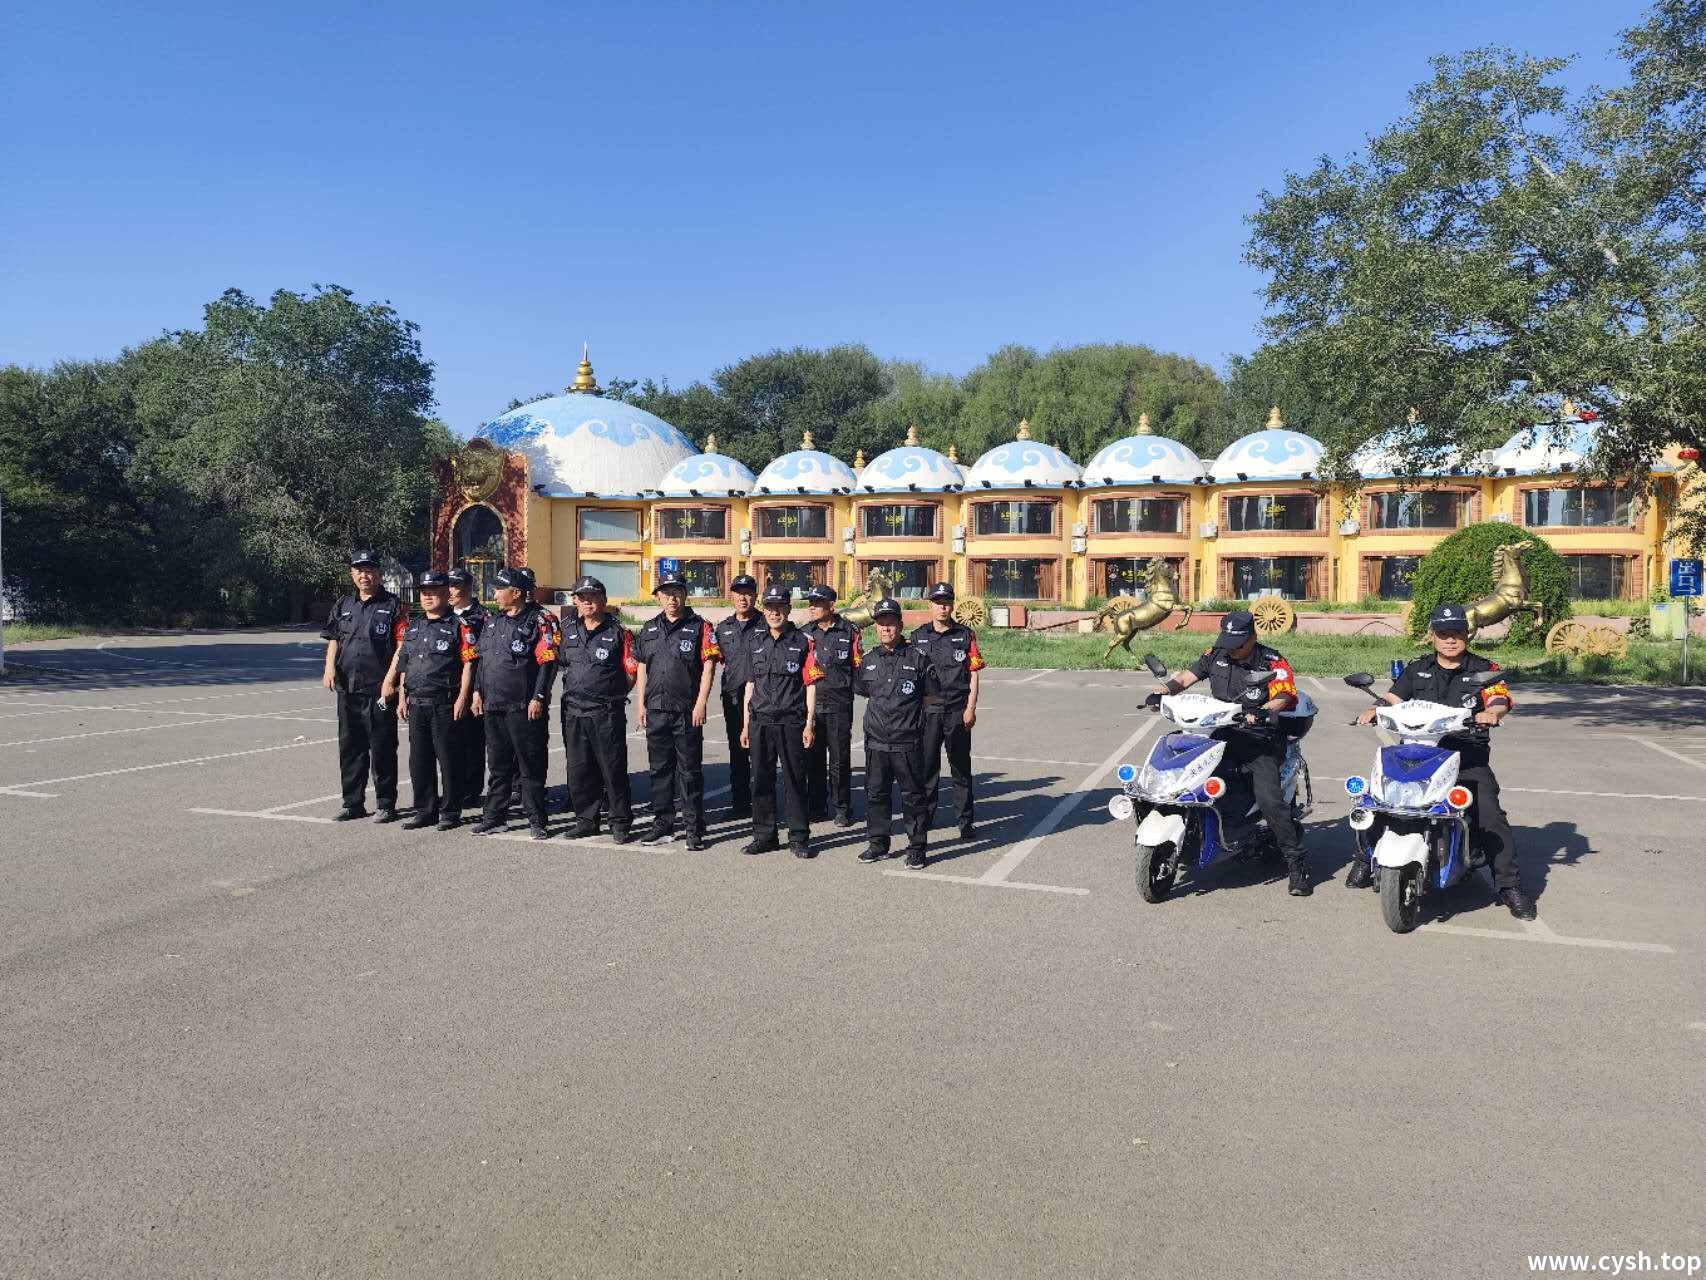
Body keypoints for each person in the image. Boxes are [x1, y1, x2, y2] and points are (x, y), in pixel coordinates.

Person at [1353, 602, 1535, 919]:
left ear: (1468, 634)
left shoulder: (1484, 669)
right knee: (1378, 800)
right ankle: (1365, 858)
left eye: (1457, 633)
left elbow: (1498, 697)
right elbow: (1393, 697)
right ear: (1433, 636)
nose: (1450, 639)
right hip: (1419, 755)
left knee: (1490, 816)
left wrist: (1492, 712)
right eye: (1443, 633)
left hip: (1465, 757)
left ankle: (1509, 886)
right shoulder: (1417, 668)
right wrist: (1375, 708)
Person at [1150, 610, 1313, 896]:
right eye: (1227, 642)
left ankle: (1296, 864)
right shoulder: (1216, 654)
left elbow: (1285, 694)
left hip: (1260, 740)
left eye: (1237, 644)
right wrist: (1164, 691)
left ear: (1252, 637)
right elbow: (1187, 677)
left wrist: (1263, 711)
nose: (1231, 649)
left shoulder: (1271, 661)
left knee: (1270, 801)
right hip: (1223, 735)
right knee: (1187, 779)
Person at [381, 570, 477, 830]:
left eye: (433, 592)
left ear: (446, 593)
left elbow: (469, 664)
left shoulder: (459, 625)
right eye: (424, 593)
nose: (427, 597)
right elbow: (405, 663)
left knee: (449, 759)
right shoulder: (414, 626)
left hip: (445, 702)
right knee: (419, 761)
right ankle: (425, 810)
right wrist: (403, 696)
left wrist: (463, 698)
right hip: (417, 702)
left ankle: (451, 811)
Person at [470, 567, 559, 840]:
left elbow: (547, 663)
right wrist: (477, 691)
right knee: (498, 765)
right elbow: (483, 662)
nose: (495, 594)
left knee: (530, 765)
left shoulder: (539, 621)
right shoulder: (493, 621)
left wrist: (538, 697)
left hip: (523, 706)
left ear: (516, 593)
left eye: (500, 589)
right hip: (494, 705)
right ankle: (494, 817)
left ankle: (537, 820)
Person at [633, 573, 720, 849]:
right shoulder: (649, 628)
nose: (671, 599)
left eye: (677, 592)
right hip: (656, 709)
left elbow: (709, 667)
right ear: (658, 597)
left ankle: (694, 829)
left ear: (685, 594)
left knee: (689, 772)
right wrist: (641, 703)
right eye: (666, 593)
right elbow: (642, 667)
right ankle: (663, 824)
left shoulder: (700, 627)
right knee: (659, 771)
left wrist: (701, 703)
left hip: (686, 711)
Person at [320, 550, 408, 822]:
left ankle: (385, 803)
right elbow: (334, 639)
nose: (364, 575)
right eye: (359, 570)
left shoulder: (394, 605)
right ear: (352, 574)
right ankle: (352, 802)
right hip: (348, 686)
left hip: (379, 690)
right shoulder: (343, 604)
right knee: (350, 747)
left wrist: (390, 681)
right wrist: (329, 668)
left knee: (382, 748)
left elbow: (401, 646)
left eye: (369, 570)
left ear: (379, 573)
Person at [854, 597, 936, 869]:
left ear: (900, 625)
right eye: (881, 624)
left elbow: (929, 697)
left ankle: (916, 848)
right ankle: (878, 844)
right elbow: (864, 691)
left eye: (891, 623)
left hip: (907, 742)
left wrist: (914, 725)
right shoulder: (868, 660)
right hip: (876, 742)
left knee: (913, 797)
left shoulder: (918, 659)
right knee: (876, 794)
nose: (886, 629)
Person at [742, 583, 822, 857]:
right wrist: (745, 724)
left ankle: (798, 838)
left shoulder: (803, 642)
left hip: (791, 721)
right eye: (770, 607)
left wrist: (809, 724)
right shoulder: (754, 642)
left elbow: (811, 685)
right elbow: (750, 685)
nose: (774, 613)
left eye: (779, 607)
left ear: (788, 609)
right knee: (760, 781)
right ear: (763, 610)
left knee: (795, 780)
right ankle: (765, 836)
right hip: (760, 721)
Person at [557, 576, 637, 843]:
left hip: (606, 712)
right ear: (576, 601)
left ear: (604, 600)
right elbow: (562, 665)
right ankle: (586, 821)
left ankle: (620, 822)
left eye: (593, 597)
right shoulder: (567, 630)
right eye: (583, 598)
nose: (588, 602)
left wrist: (613, 695)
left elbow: (631, 671)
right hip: (574, 711)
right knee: (579, 770)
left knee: (612, 770)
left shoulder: (618, 632)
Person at [911, 582, 984, 839]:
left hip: (956, 710)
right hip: (929, 712)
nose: (942, 607)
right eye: (938, 602)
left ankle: (965, 821)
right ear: (930, 605)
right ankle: (926, 817)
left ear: (952, 605)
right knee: (927, 769)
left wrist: (971, 708)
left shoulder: (965, 635)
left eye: (947, 602)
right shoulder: (917, 636)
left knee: (960, 769)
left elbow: (973, 673)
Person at [803, 584, 862, 827]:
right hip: (812, 707)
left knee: (839, 760)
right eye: (810, 603)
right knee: (813, 759)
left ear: (831, 606)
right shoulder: (805, 634)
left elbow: (857, 666)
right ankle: (817, 806)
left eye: (817, 603)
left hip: (839, 706)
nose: (812, 607)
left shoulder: (849, 631)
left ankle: (842, 808)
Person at [712, 574, 764, 820]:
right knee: (738, 752)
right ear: (731, 596)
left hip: (762, 699)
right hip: (733, 698)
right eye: (739, 593)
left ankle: (764, 807)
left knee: (762, 755)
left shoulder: (766, 624)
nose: (743, 598)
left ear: (755, 596)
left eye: (748, 593)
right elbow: (717, 661)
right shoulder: (723, 628)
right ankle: (740, 804)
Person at [446, 568, 489, 813]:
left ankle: (471, 791)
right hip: (447, 686)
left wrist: (477, 690)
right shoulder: (444, 614)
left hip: (473, 687)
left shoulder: (482, 617)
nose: (450, 590)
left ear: (468, 587)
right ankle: (455, 789)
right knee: (451, 742)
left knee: (472, 741)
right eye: (448, 585)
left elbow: (483, 658)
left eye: (454, 585)